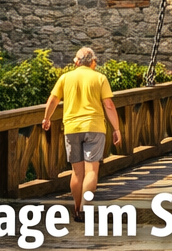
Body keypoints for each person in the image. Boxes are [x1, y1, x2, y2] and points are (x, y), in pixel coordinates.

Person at [41, 47, 122, 221]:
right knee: (91, 170)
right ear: (93, 62)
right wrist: (116, 129)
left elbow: (54, 99)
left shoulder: (65, 78)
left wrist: (46, 118)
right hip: (94, 127)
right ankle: (85, 207)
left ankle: (77, 208)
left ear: (76, 62)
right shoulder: (100, 78)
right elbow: (108, 105)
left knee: (77, 173)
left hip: (71, 128)